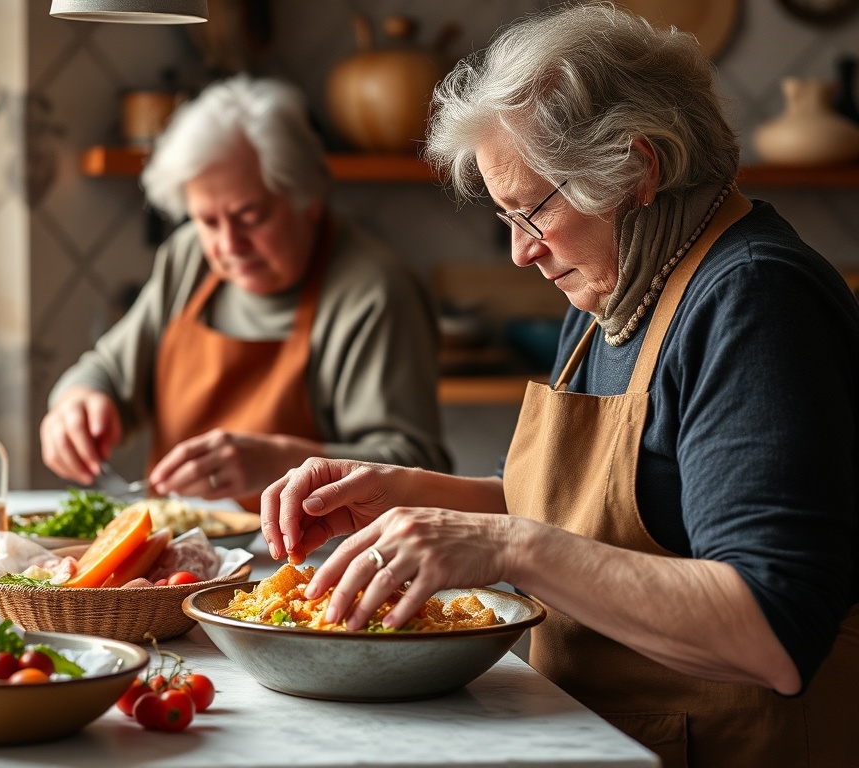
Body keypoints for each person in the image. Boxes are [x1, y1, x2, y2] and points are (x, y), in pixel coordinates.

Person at [261, 5, 859, 767]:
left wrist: (504, 543)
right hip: (598, 735)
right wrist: (414, 496)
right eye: (504, 217)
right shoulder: (620, 283)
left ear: (639, 169)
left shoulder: (756, 303)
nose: (520, 252)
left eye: (532, 210)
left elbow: (772, 630)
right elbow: (616, 513)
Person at [41, 75, 451, 512]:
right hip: (180, 563)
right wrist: (77, 402)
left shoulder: (375, 292)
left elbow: (419, 467)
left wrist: (283, 461)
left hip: (318, 564)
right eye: (208, 221)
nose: (228, 244)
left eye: (250, 217)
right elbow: (109, 372)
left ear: (307, 198)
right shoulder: (189, 258)